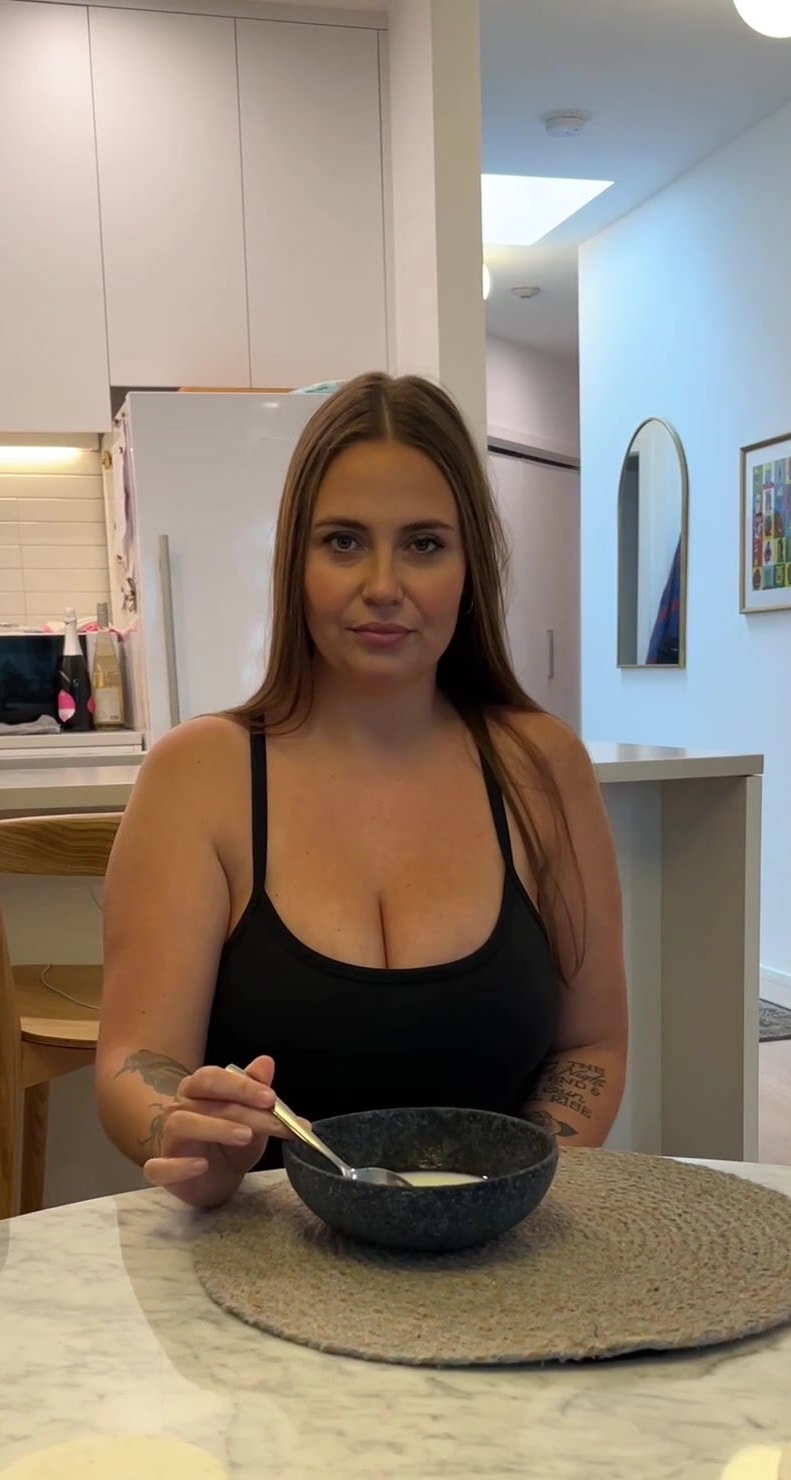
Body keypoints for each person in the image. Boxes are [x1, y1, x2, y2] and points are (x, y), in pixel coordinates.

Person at [95, 371, 628, 1210]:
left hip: (499, 1253)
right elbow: (136, 1059)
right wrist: (184, 1133)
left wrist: (500, 1195)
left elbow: (592, 1045)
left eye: (424, 544)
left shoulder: (544, 770)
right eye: (343, 542)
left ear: (471, 568)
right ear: (295, 562)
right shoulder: (197, 776)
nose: (383, 584)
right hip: (261, 1250)